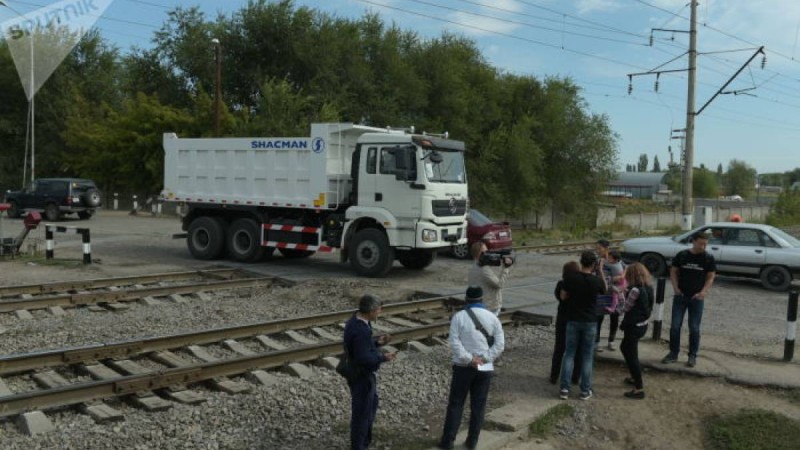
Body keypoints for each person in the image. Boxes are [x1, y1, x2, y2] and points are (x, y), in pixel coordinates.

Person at [437, 286, 505, 450]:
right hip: (485, 367)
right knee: (478, 405)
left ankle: (448, 442)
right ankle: (472, 442)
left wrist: (470, 359)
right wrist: (484, 358)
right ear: (481, 300)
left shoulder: (458, 317)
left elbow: (454, 342)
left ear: (466, 300)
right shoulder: (492, 317)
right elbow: (500, 344)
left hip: (463, 367)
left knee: (456, 403)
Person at [343, 295, 397, 450]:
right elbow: (363, 357)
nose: (379, 312)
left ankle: (364, 442)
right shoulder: (362, 330)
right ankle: (360, 446)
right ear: (371, 311)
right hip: (363, 377)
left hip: (357, 374)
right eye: (379, 309)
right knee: (362, 415)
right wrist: (382, 358)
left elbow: (360, 347)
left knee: (370, 407)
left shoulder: (354, 321)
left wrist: (376, 343)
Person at [662, 231, 716, 368]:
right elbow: (673, 271)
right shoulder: (682, 255)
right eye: (701, 244)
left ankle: (692, 356)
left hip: (696, 298)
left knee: (694, 328)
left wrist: (703, 292)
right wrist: (675, 287)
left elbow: (711, 277)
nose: (703, 247)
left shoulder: (708, 258)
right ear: (694, 241)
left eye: (705, 244)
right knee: (675, 326)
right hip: (680, 296)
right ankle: (673, 353)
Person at [559, 251, 606, 401]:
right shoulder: (596, 281)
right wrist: (600, 271)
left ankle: (564, 389)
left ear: (581, 262)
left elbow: (563, 296)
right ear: (593, 264)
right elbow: (604, 289)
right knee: (587, 356)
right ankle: (585, 390)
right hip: (590, 321)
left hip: (573, 319)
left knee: (569, 354)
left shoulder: (571, 278)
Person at [619, 262, 654, 399]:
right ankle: (634, 377)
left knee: (631, 355)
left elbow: (625, 308)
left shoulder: (634, 290)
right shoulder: (648, 287)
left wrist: (621, 295)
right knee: (625, 348)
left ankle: (639, 389)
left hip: (633, 326)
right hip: (642, 324)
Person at [549, 261, 582, 385]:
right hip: (577, 319)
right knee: (577, 349)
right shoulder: (581, 285)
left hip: (563, 319)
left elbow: (560, 298)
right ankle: (575, 376)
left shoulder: (561, 284)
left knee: (559, 348)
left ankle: (554, 375)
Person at [467, 241, 512, 315]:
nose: (488, 254)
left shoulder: (475, 266)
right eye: (485, 252)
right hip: (489, 307)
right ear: (479, 254)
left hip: (481, 305)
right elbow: (499, 284)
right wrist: (506, 268)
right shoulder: (484, 269)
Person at [596, 246, 625, 352]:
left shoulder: (618, 262)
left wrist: (621, 277)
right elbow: (598, 276)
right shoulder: (599, 262)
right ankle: (596, 342)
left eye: (599, 248)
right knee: (599, 318)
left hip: (615, 293)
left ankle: (611, 341)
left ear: (606, 249)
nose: (597, 250)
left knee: (614, 317)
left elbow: (625, 270)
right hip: (603, 293)